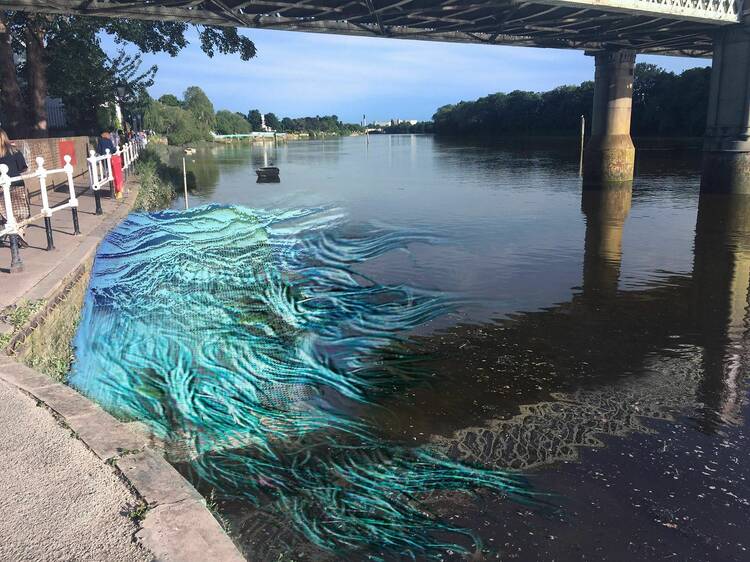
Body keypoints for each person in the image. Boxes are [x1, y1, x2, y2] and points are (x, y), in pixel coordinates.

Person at [0, 127, 30, 243]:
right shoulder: (14, 150)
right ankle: (20, 232)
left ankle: (13, 232)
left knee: (5, 212)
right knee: (22, 212)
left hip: (2, 187)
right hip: (17, 183)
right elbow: (23, 168)